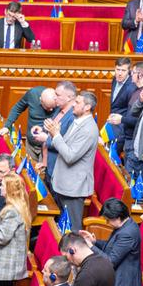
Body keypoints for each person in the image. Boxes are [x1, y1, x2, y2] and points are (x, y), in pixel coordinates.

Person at [43, 91, 99, 226]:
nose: (73, 104)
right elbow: (66, 145)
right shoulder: (77, 122)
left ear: (87, 107)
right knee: (62, 226)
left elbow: (70, 156)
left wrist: (55, 135)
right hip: (63, 184)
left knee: (72, 228)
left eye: (77, 102)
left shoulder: (88, 129)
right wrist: (55, 133)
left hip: (73, 188)